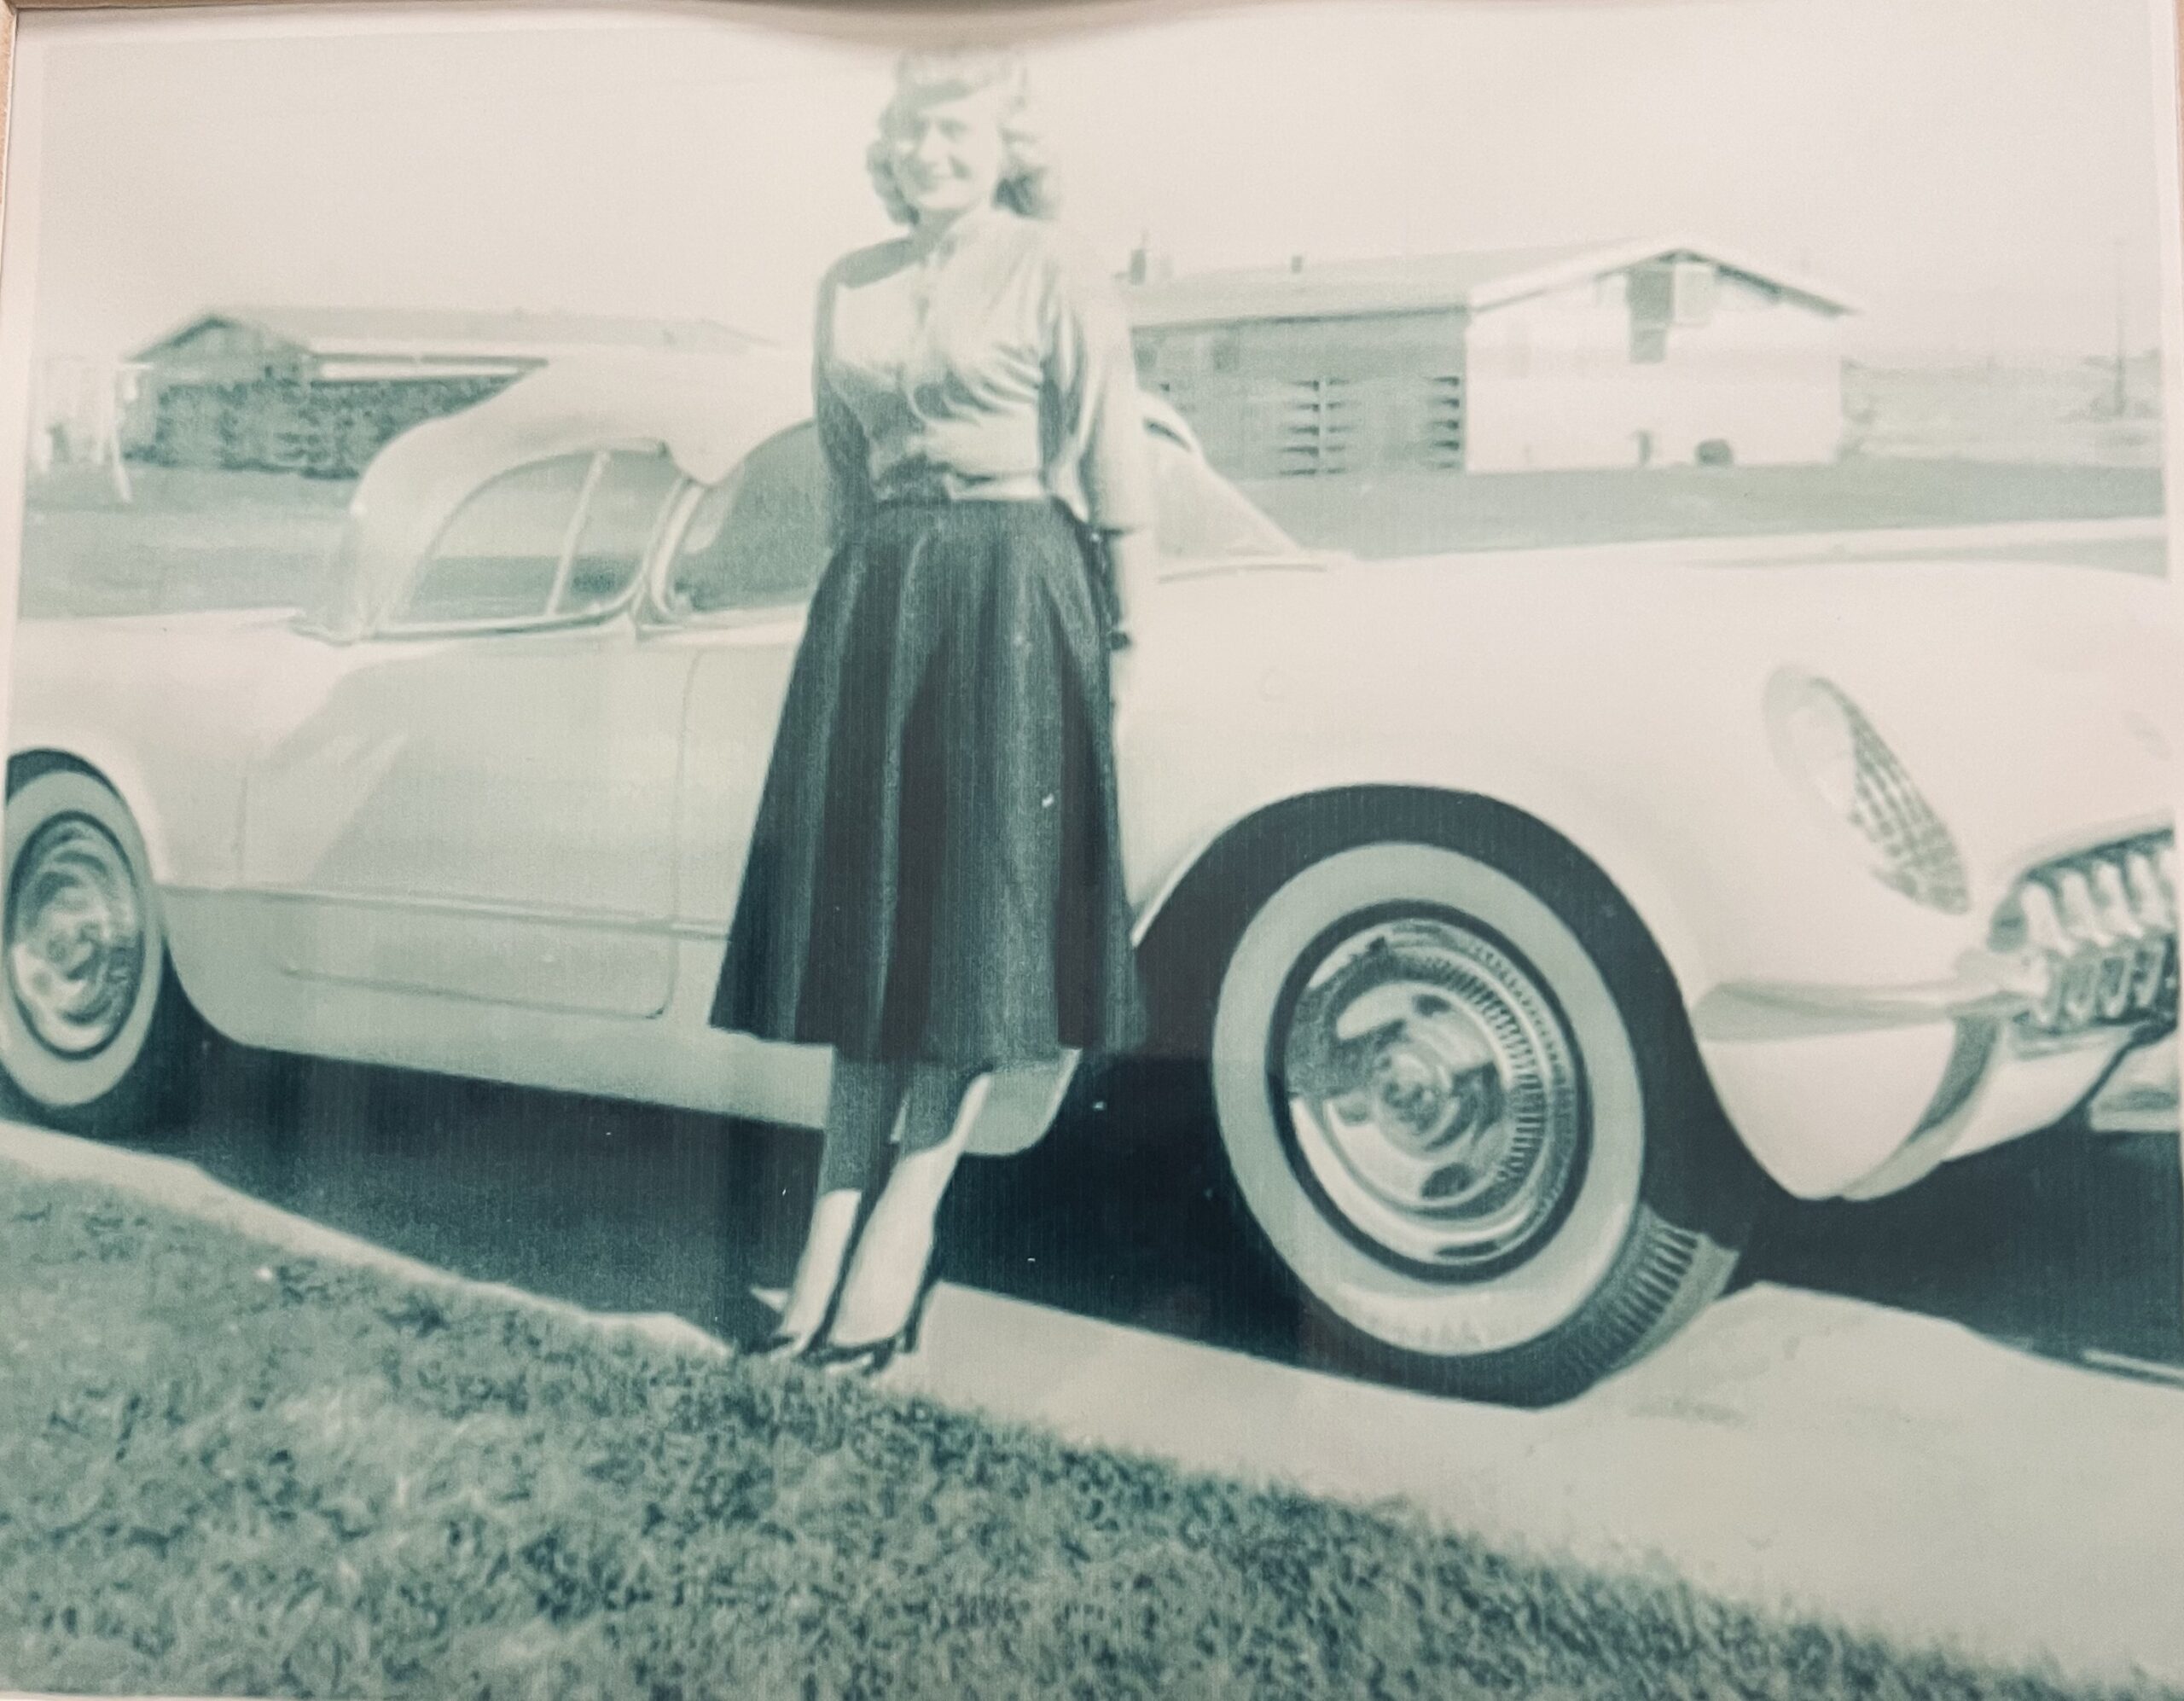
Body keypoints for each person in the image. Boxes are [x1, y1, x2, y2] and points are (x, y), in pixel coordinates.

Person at [708, 46, 1158, 1374]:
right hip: (878, 601)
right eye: (909, 128)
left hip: (1018, 587)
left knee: (975, 931)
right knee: (869, 934)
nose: (928, 152)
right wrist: (849, 615)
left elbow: (1114, 444)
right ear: (886, 144)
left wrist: (1132, 634)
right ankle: (825, 1232)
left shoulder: (1053, 264)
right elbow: (845, 476)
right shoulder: (845, 286)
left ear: (1002, 137)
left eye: (953, 127)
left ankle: (902, 1232)